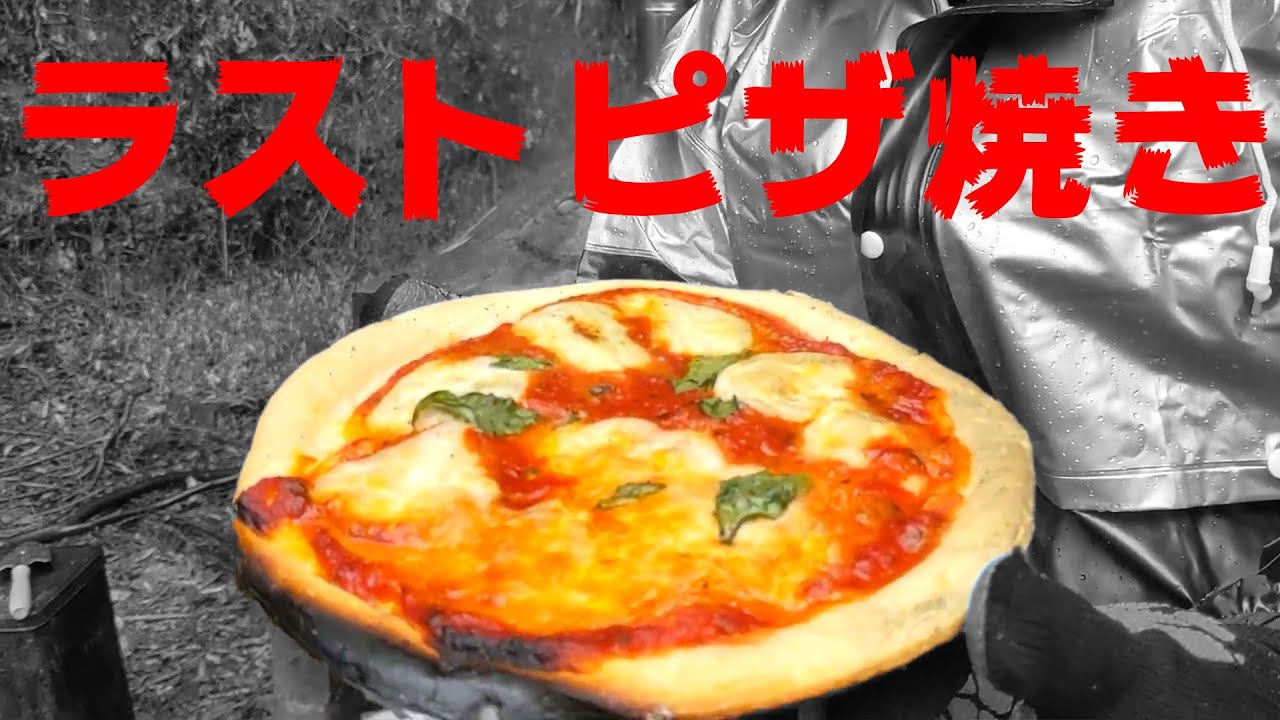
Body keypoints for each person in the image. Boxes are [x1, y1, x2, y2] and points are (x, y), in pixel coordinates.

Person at [354, 0, 1280, 716]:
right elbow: (659, 304)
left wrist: (1211, 679)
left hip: (1176, 644)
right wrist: (489, 399)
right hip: (780, 620)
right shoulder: (738, 21)